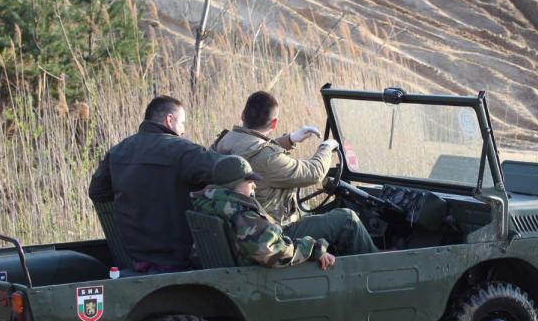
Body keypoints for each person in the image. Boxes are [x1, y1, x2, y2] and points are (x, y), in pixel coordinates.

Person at [89, 95, 222, 273]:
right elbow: (227, 170)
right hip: (177, 257)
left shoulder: (118, 151)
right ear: (170, 120)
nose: (183, 130)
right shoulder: (183, 150)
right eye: (182, 123)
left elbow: (97, 192)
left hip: (135, 256)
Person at [193, 156, 377, 269]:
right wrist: (315, 248)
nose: (254, 186)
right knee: (347, 219)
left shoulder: (211, 201)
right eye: (249, 181)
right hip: (265, 265)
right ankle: (379, 269)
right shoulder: (241, 214)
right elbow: (272, 252)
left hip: (255, 251)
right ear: (236, 184)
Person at [213, 90, 338, 226]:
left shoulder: (223, 141)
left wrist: (290, 139)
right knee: (346, 218)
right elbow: (314, 172)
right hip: (274, 229)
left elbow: (254, 151)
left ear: (243, 115)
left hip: (238, 222)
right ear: (273, 124)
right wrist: (327, 147)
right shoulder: (268, 158)